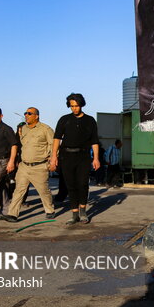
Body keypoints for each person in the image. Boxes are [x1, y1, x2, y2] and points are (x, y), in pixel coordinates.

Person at [50, 93, 100, 224]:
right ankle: (74, 214)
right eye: (72, 106)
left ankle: (83, 211)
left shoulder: (90, 121)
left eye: (77, 106)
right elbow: (57, 139)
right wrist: (53, 156)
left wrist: (96, 158)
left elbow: (94, 141)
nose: (74, 109)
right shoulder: (64, 119)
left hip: (83, 156)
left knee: (82, 184)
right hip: (66, 156)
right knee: (70, 185)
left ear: (81, 105)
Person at [6, 107, 55, 220]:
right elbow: (20, 145)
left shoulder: (45, 129)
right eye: (25, 113)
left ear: (36, 116)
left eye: (29, 113)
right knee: (18, 190)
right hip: (24, 166)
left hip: (39, 166)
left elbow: (54, 145)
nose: (26, 115)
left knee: (44, 191)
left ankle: (49, 210)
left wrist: (51, 159)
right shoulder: (23, 129)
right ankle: (12, 214)